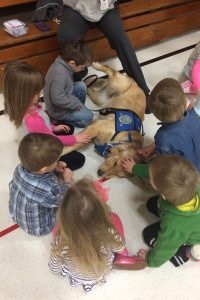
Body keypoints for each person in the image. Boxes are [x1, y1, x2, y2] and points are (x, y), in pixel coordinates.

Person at [49, 177, 145, 292]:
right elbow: (120, 247)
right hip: (100, 269)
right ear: (101, 211)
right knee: (113, 252)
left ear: (64, 215)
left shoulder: (61, 240)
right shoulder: (109, 231)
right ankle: (121, 260)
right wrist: (121, 251)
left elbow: (54, 265)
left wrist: (57, 270)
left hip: (79, 275)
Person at [58, 1, 150, 113]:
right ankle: (77, 79)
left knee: (120, 38)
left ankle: (142, 91)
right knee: (66, 36)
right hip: (77, 7)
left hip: (106, 8)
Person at [3, 60, 91, 170]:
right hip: (40, 150)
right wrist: (75, 139)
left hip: (36, 137)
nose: (40, 95)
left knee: (68, 128)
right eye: (36, 93)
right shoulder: (33, 120)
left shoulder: (22, 107)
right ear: (24, 96)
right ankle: (54, 169)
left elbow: (43, 127)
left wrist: (54, 127)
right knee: (79, 159)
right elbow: (52, 139)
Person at [122, 154, 200, 268]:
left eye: (151, 179)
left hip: (191, 235)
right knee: (150, 204)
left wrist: (150, 260)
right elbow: (159, 172)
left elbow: (165, 247)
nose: (150, 176)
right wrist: (135, 168)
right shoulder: (193, 181)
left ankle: (183, 253)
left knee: (148, 234)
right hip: (188, 219)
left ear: (163, 195)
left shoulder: (173, 225)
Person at [9, 133, 73, 236]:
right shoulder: (49, 188)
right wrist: (67, 181)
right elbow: (61, 200)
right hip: (38, 228)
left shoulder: (19, 168)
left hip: (15, 214)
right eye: (56, 161)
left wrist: (53, 167)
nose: (57, 162)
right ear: (44, 168)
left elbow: (38, 172)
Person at [137, 78, 200, 172]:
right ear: (184, 102)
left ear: (155, 115)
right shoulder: (193, 114)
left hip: (189, 177)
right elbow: (180, 137)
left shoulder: (163, 136)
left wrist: (134, 168)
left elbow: (161, 166)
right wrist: (154, 146)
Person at [44, 39, 94, 127]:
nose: (83, 70)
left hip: (65, 96)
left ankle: (79, 110)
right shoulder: (59, 75)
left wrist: (76, 104)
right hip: (57, 110)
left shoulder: (63, 63)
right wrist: (75, 104)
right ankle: (59, 121)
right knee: (89, 118)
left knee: (81, 85)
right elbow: (58, 99)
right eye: (82, 67)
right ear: (72, 63)